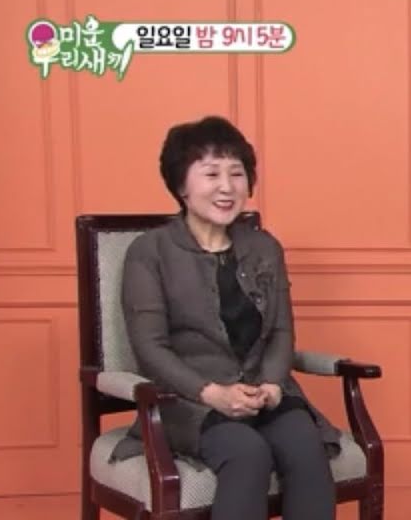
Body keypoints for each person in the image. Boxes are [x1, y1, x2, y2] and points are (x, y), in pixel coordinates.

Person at [117, 116, 338, 519]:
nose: (227, 186)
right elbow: (150, 347)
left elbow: (281, 331)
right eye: (211, 173)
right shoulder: (149, 252)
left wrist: (272, 384)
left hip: (263, 393)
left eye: (237, 173)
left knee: (306, 446)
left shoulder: (264, 247)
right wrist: (212, 393)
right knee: (247, 453)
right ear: (181, 186)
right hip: (189, 403)